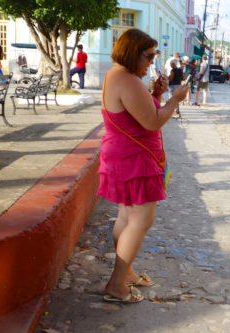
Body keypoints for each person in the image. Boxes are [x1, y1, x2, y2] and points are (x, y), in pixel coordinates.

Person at [98, 28, 188, 303]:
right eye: (148, 56)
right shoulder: (128, 80)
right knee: (141, 219)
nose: (152, 61)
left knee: (126, 217)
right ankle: (116, 284)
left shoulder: (118, 75)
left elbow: (138, 115)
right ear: (132, 53)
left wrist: (156, 95)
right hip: (135, 159)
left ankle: (126, 273)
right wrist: (175, 99)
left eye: (154, 56)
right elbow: (151, 122)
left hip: (125, 156)